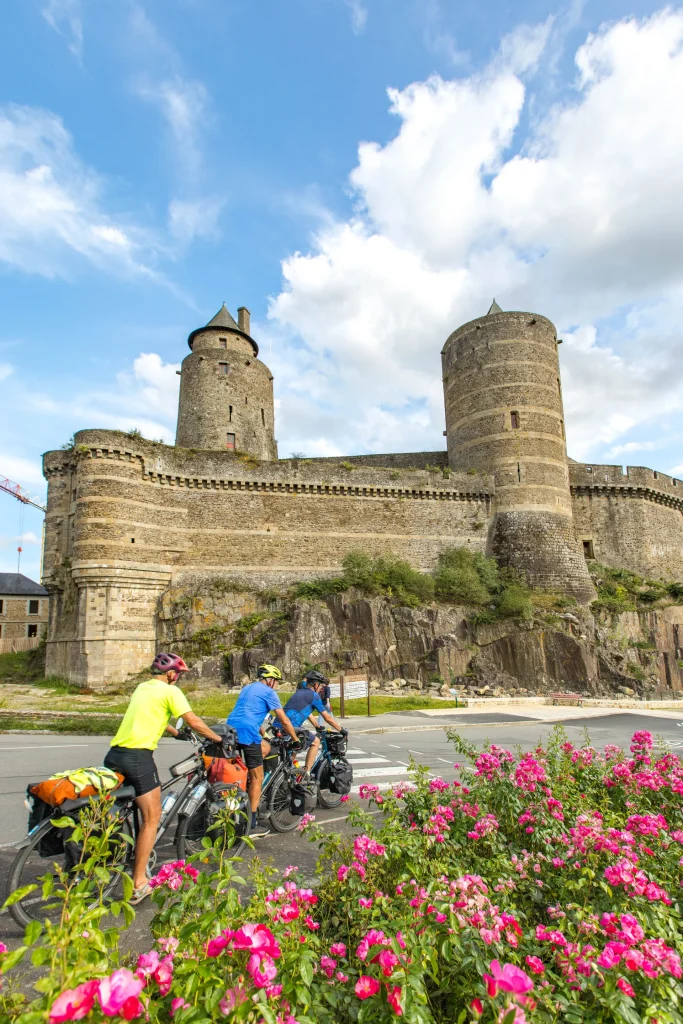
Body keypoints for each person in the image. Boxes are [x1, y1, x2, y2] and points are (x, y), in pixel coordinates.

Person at [104, 652, 222, 904]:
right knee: (152, 818)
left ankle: (117, 856)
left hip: (114, 755)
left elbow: (151, 715)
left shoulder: (142, 688)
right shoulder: (171, 692)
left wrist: (175, 732)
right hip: (138, 757)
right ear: (170, 674)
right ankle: (139, 884)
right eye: (177, 674)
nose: (178, 678)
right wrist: (217, 738)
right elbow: (194, 721)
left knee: (123, 810)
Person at [227, 664, 299, 835]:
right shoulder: (269, 692)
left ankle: (246, 788)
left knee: (266, 747)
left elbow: (253, 715)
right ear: (270, 680)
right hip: (247, 733)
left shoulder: (247, 688)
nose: (276, 685)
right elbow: (284, 720)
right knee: (257, 776)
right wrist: (295, 740)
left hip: (230, 730)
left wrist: (265, 736)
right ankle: (251, 824)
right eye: (276, 681)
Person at [282, 670, 346, 775]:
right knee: (315, 741)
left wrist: (316, 725)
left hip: (280, 725)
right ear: (316, 685)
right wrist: (341, 730)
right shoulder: (314, 696)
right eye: (321, 686)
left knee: (294, 747)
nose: (321, 689)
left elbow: (306, 712)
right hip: (291, 726)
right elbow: (327, 717)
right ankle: (306, 773)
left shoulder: (300, 692)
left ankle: (287, 770)